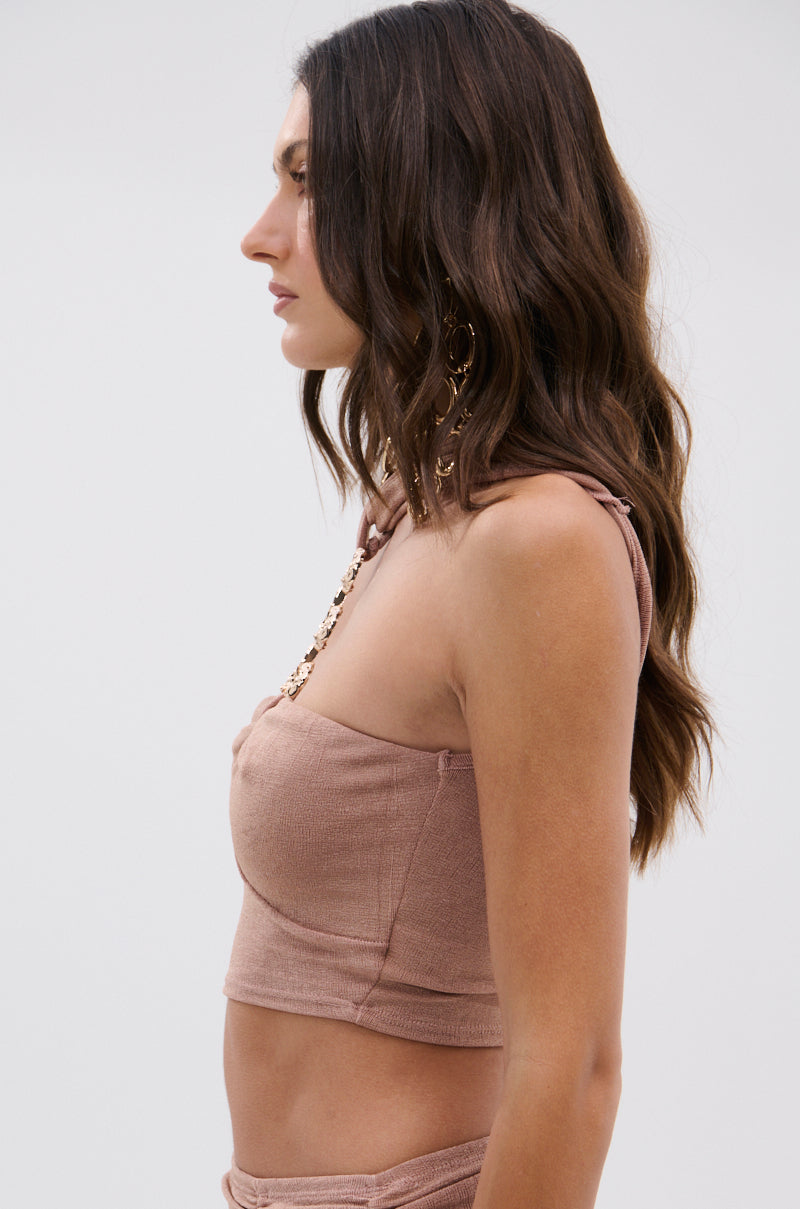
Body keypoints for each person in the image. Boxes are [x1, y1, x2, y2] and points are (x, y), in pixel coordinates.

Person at [221, 1, 714, 1206]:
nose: (258, 235)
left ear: (431, 195)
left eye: (307, 182)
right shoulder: (423, 513)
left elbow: (575, 1064)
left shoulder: (536, 541)